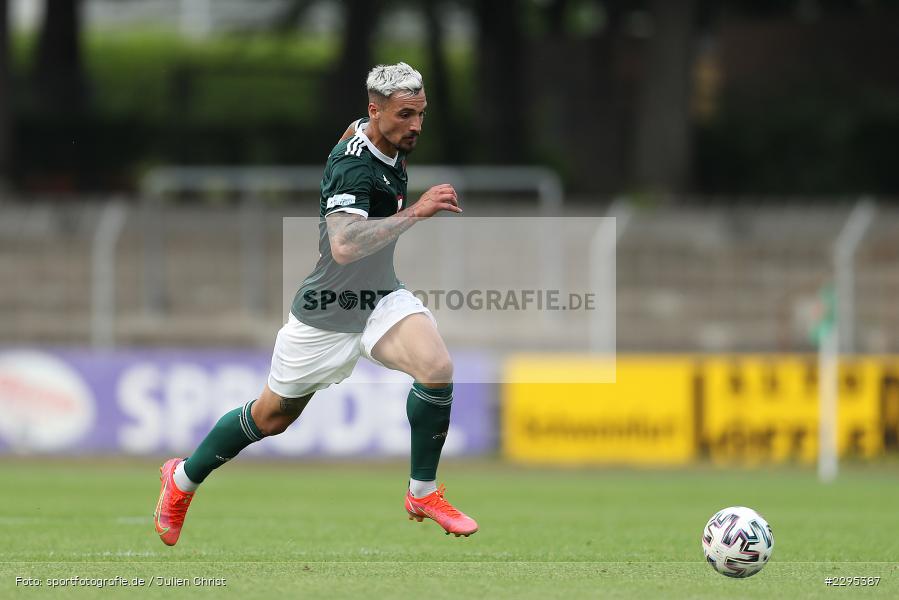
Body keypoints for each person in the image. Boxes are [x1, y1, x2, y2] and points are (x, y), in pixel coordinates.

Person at [153, 62, 478, 546]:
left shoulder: (378, 134)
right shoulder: (353, 164)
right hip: (328, 308)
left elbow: (356, 132)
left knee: (436, 367)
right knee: (271, 417)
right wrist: (417, 210)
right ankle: (181, 480)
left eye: (421, 113)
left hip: (378, 296)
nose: (416, 125)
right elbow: (344, 246)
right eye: (405, 115)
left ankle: (422, 493)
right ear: (376, 111)